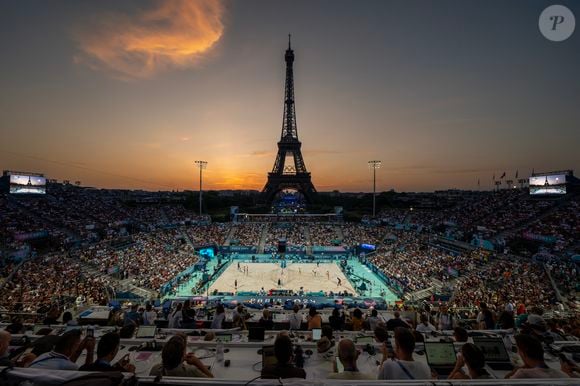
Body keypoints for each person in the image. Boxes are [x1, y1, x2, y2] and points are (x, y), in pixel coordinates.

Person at [29, 329, 94, 370]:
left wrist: (79, 349)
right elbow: (87, 377)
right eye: (77, 344)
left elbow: (66, 363)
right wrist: (90, 351)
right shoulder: (69, 367)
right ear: (72, 346)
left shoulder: (44, 355)